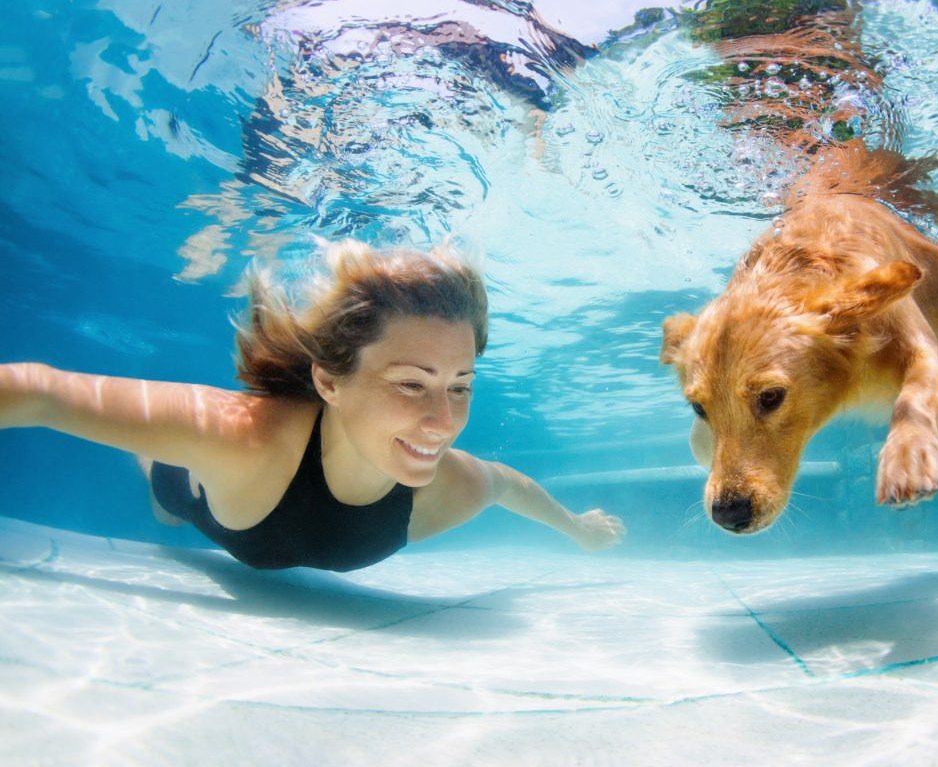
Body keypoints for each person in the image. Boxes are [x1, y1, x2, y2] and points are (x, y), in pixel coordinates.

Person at [0, 239, 625, 571]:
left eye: (460, 385)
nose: (443, 421)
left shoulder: (447, 486)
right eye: (410, 383)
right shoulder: (241, 436)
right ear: (328, 381)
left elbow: (507, 485)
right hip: (197, 487)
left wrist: (578, 528)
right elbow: (36, 391)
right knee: (166, 508)